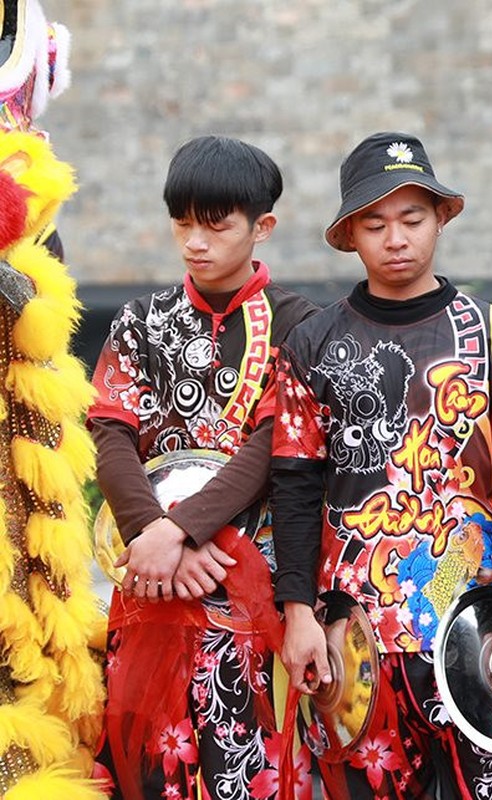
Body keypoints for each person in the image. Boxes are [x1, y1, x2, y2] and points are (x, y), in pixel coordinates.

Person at [270, 131, 492, 799]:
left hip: (477, 622)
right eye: (375, 223)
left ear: (440, 218)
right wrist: (297, 610)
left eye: (412, 218)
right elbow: (295, 485)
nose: (395, 238)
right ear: (349, 234)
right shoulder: (312, 344)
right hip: (353, 639)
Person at [88, 135, 318, 798]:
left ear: (262, 227)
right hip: (152, 582)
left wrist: (179, 530)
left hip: (254, 594)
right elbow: (110, 432)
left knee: (250, 766)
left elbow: (276, 441)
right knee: (151, 764)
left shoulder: (298, 324)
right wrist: (151, 534)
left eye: (215, 225)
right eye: (182, 222)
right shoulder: (139, 320)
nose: (195, 241)